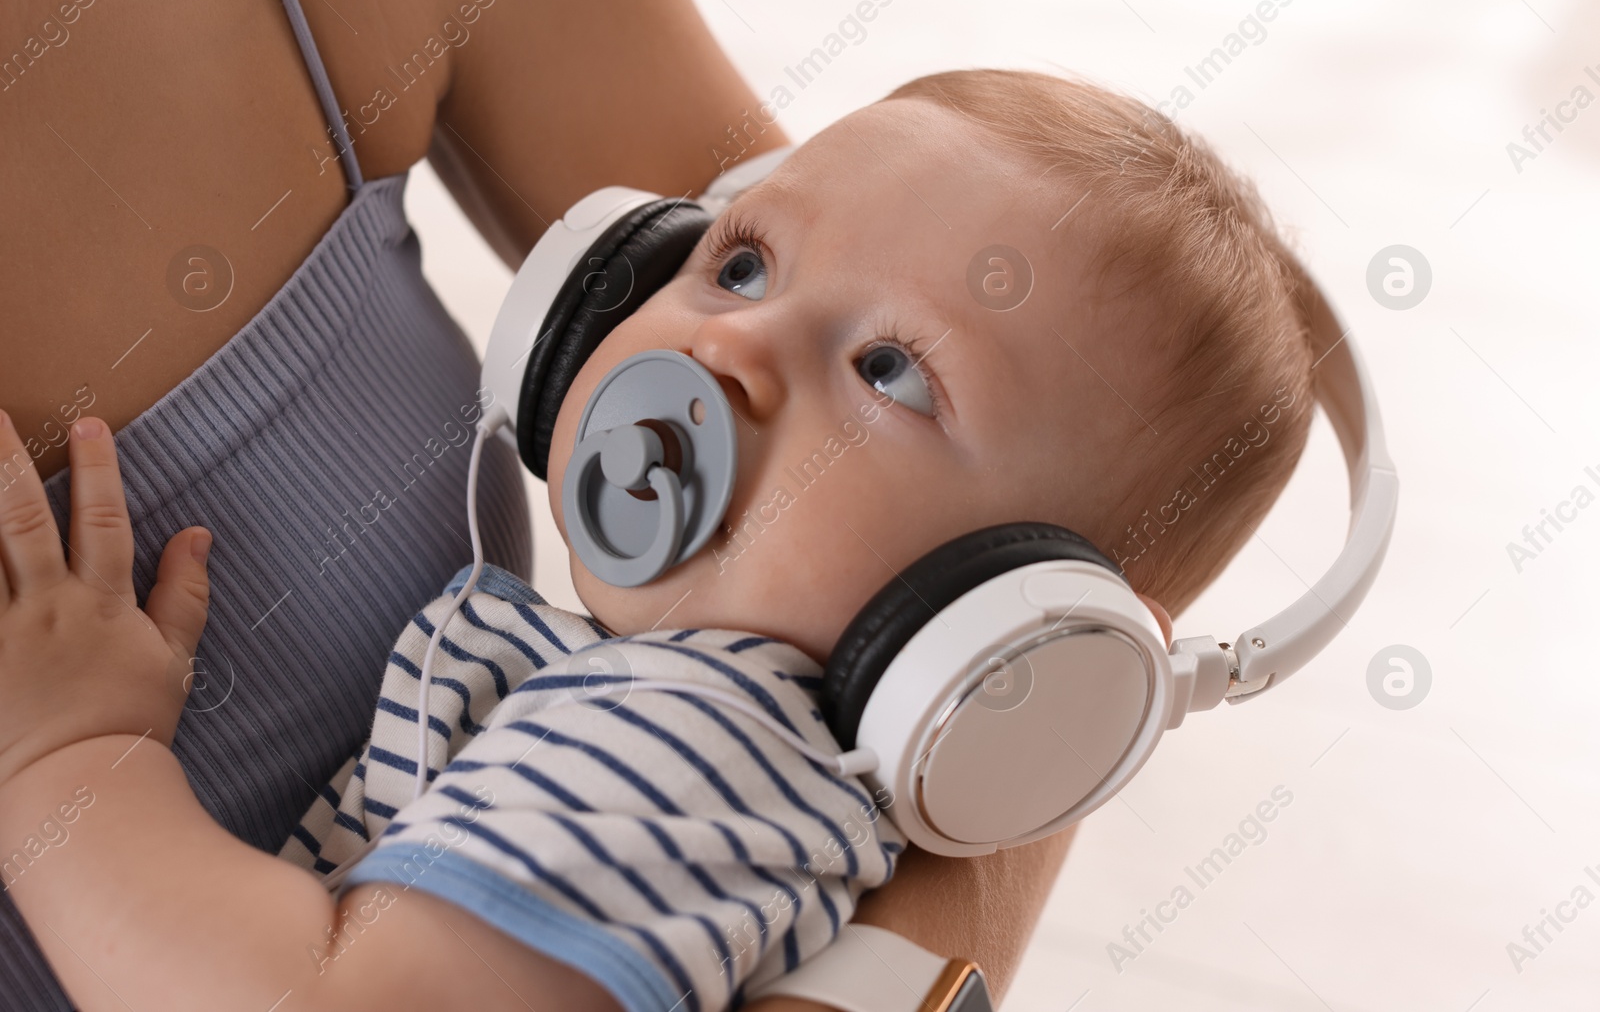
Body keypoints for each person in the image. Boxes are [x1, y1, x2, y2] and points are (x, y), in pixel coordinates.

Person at [0, 66, 1323, 1010]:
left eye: (892, 371)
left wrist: (68, 755)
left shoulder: (680, 737)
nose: (728, 346)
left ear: (1013, 622)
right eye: (743, 262)